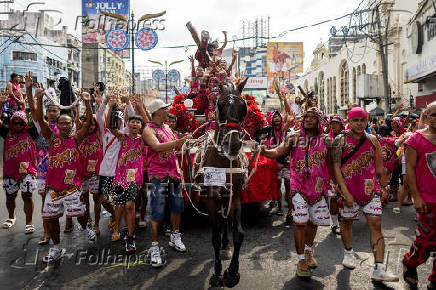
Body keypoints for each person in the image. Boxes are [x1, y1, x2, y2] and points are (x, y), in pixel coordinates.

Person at [261, 107, 332, 278]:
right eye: (305, 117)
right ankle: (301, 260)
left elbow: (332, 164)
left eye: (312, 117)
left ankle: (308, 251)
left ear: (319, 121)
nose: (307, 120)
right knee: (300, 223)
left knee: (313, 223)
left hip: (318, 187)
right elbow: (278, 151)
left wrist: (338, 186)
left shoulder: (326, 140)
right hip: (298, 186)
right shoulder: (293, 137)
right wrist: (265, 151)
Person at [332, 107, 398, 282]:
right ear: (349, 121)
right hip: (348, 191)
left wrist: (384, 187)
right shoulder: (340, 140)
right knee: (346, 222)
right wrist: (344, 191)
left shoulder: (373, 140)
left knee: (376, 225)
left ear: (366, 120)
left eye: (362, 120)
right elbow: (336, 168)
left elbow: (378, 167)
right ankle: (348, 252)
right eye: (355, 120)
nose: (359, 124)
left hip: (370, 191)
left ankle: (380, 269)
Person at [34, 82, 96, 263]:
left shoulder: (76, 139)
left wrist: (88, 102)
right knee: (51, 218)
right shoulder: (51, 138)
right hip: (53, 186)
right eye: (62, 122)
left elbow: (90, 121)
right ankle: (56, 248)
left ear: (72, 125)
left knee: (80, 213)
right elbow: (38, 118)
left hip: (72, 185)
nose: (65, 125)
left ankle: (85, 230)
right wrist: (38, 97)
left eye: (68, 123)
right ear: (58, 124)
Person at [143, 99, 191, 268]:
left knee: (177, 207)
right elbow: (156, 147)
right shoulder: (148, 129)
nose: (167, 111)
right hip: (158, 175)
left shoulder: (168, 128)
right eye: (165, 109)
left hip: (174, 173)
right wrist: (178, 142)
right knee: (157, 212)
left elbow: (173, 149)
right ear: (156, 112)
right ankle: (155, 247)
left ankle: (175, 236)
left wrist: (184, 143)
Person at [402, 101, 436, 289]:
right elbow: (411, 171)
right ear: (426, 116)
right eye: (433, 115)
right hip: (427, 199)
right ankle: (410, 262)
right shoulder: (415, 139)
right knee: (426, 239)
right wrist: (416, 197)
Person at [25, 74, 61, 244]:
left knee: (66, 203)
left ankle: (80, 225)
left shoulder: (66, 126)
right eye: (50, 110)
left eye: (55, 110)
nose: (52, 113)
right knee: (45, 202)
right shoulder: (42, 126)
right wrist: (30, 89)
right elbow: (33, 111)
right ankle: (47, 233)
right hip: (43, 170)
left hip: (60, 169)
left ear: (60, 113)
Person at [96, 93, 135, 242]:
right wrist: (106, 102)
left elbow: (132, 117)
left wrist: (128, 102)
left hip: (120, 173)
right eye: (114, 120)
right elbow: (99, 115)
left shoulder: (125, 133)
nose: (117, 123)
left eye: (119, 120)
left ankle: (117, 228)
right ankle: (113, 215)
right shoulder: (105, 133)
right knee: (104, 200)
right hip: (105, 172)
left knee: (120, 201)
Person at [0, 93, 38, 233]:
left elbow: (37, 120)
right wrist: (0, 104)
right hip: (10, 172)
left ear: (24, 123)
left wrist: (35, 101)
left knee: (27, 196)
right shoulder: (6, 132)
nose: (18, 125)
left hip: (27, 171)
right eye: (15, 122)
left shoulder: (30, 133)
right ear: (11, 123)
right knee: (10, 196)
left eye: (21, 122)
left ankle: (29, 222)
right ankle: (11, 217)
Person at [110, 113, 145, 253]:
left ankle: (130, 238)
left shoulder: (142, 140)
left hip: (134, 178)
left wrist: (141, 109)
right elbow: (110, 127)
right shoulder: (122, 138)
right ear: (127, 125)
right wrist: (111, 105)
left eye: (138, 122)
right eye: (132, 122)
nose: (135, 124)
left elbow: (149, 127)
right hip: (119, 176)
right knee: (119, 205)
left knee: (130, 205)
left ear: (141, 126)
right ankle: (116, 228)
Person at [328, 116, 344, 235]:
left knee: (343, 198)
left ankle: (344, 219)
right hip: (331, 174)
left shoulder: (347, 138)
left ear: (341, 126)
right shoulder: (326, 138)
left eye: (336, 124)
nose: (333, 126)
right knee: (333, 199)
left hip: (345, 174)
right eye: (331, 124)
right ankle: (334, 224)